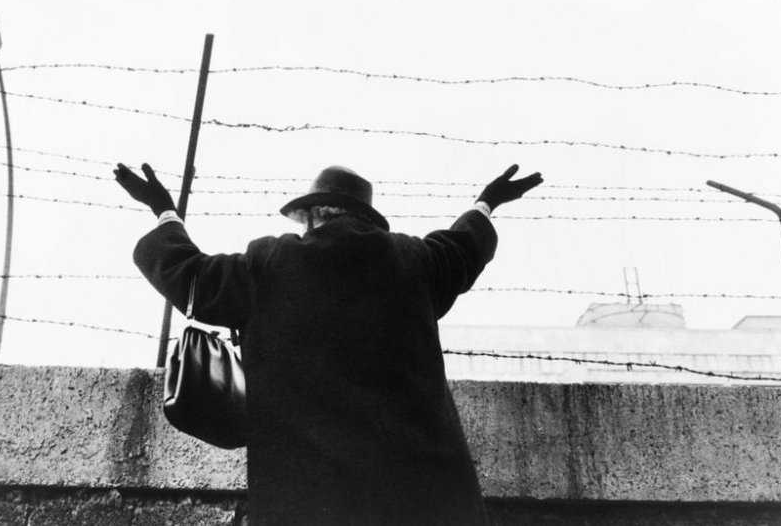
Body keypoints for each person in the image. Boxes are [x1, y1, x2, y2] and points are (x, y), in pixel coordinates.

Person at [116, 162, 543, 526]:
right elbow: (465, 247)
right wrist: (486, 202)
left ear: (312, 216)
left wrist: (164, 210)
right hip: (428, 501)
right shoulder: (417, 261)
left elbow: (186, 275)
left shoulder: (269, 264)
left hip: (309, 505)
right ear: (369, 219)